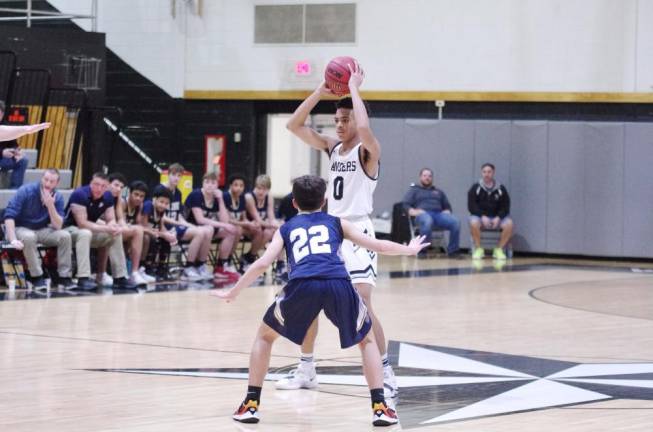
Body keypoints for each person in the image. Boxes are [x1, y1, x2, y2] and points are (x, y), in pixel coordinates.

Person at [212, 175, 428, 426]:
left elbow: (262, 263)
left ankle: (250, 405)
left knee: (265, 336)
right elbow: (378, 245)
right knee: (367, 340)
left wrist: (234, 291)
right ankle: (380, 407)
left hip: (302, 284)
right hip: (337, 282)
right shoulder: (337, 222)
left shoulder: (287, 227)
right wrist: (409, 249)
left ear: (293, 203)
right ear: (325, 201)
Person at [285, 62, 399, 398]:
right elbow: (294, 125)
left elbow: (364, 129)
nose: (339, 124)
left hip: (359, 231)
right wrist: (320, 93)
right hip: (330, 230)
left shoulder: (368, 152)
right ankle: (306, 368)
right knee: (308, 298)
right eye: (336, 120)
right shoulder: (331, 148)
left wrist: (354, 89)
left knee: (362, 304)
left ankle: (386, 369)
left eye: (344, 119)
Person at [63, 172, 138, 290]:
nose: (99, 188)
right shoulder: (79, 194)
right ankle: (83, 278)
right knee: (85, 233)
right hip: (68, 230)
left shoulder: (108, 197)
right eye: (96, 184)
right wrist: (106, 228)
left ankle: (120, 277)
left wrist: (113, 227)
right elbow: (82, 224)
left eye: (103, 186)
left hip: (89, 232)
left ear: (107, 187)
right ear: (90, 183)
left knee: (115, 235)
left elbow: (111, 219)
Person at [3, 169, 76, 290]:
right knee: (29, 237)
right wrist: (12, 239)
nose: (48, 183)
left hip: (41, 229)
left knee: (65, 236)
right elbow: (9, 215)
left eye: (52, 181)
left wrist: (50, 206)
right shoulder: (26, 190)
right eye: (46, 179)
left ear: (56, 183)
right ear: (42, 179)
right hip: (19, 228)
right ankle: (36, 277)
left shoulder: (57, 197)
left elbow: (58, 226)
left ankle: (64, 277)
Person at [154, 163, 214, 282]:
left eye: (179, 176)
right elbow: (161, 217)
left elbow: (179, 216)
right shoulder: (160, 189)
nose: (176, 178)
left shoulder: (179, 193)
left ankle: (200, 265)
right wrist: (178, 224)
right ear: (168, 175)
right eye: (174, 175)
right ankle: (188, 267)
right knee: (199, 233)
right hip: (163, 227)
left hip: (175, 226)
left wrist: (190, 225)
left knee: (203, 231)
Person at [184, 172, 240, 280]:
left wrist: (220, 200)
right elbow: (200, 220)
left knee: (231, 231)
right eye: (207, 182)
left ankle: (221, 266)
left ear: (217, 185)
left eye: (213, 183)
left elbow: (225, 220)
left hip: (207, 230)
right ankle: (194, 265)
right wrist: (224, 224)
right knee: (209, 229)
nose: (210, 185)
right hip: (189, 227)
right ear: (203, 184)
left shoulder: (218, 198)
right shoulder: (196, 194)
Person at [402, 168, 461, 258]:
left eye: (429, 176)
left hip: (438, 215)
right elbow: (405, 204)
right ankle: (422, 251)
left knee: (455, 222)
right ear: (420, 177)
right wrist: (412, 211)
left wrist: (447, 211)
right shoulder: (414, 190)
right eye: (425, 176)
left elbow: (447, 207)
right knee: (427, 220)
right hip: (422, 215)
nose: (427, 178)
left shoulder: (438, 191)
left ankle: (453, 251)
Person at [467, 163, 514, 261]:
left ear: (493, 173)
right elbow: (471, 206)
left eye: (489, 172)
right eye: (484, 172)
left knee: (509, 224)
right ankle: (479, 249)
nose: (486, 174)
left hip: (496, 218)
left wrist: (499, 217)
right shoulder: (475, 188)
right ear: (481, 173)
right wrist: (482, 216)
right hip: (480, 217)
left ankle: (499, 249)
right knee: (473, 222)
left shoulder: (501, 188)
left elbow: (506, 206)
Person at [0, 101, 50, 189]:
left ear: (3, 114)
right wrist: (2, 152)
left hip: (4, 160)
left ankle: (14, 190)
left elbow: (13, 143)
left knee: (23, 160)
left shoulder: (7, 125)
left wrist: (16, 151)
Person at [244, 174, 285, 278]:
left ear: (268, 189)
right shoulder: (249, 197)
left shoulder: (269, 197)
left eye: (264, 189)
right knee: (269, 230)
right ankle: (250, 256)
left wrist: (278, 225)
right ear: (255, 187)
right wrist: (274, 225)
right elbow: (258, 220)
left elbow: (271, 217)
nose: (261, 191)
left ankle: (280, 264)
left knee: (279, 231)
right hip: (249, 227)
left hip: (263, 228)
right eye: (258, 188)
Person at [223, 174, 265, 271]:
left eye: (241, 186)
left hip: (239, 226)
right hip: (227, 227)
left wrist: (252, 224)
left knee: (258, 230)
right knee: (237, 229)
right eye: (236, 185)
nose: (239, 188)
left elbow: (243, 218)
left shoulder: (242, 198)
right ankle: (227, 260)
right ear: (230, 186)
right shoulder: (225, 196)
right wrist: (247, 224)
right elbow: (227, 220)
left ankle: (248, 258)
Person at [140, 187, 179, 281]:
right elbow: (144, 227)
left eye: (166, 203)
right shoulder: (148, 206)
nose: (163, 205)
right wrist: (164, 234)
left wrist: (170, 235)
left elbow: (161, 227)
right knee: (152, 238)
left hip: (153, 232)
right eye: (161, 202)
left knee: (166, 240)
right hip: (143, 233)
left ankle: (161, 267)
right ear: (154, 199)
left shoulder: (161, 211)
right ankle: (146, 267)